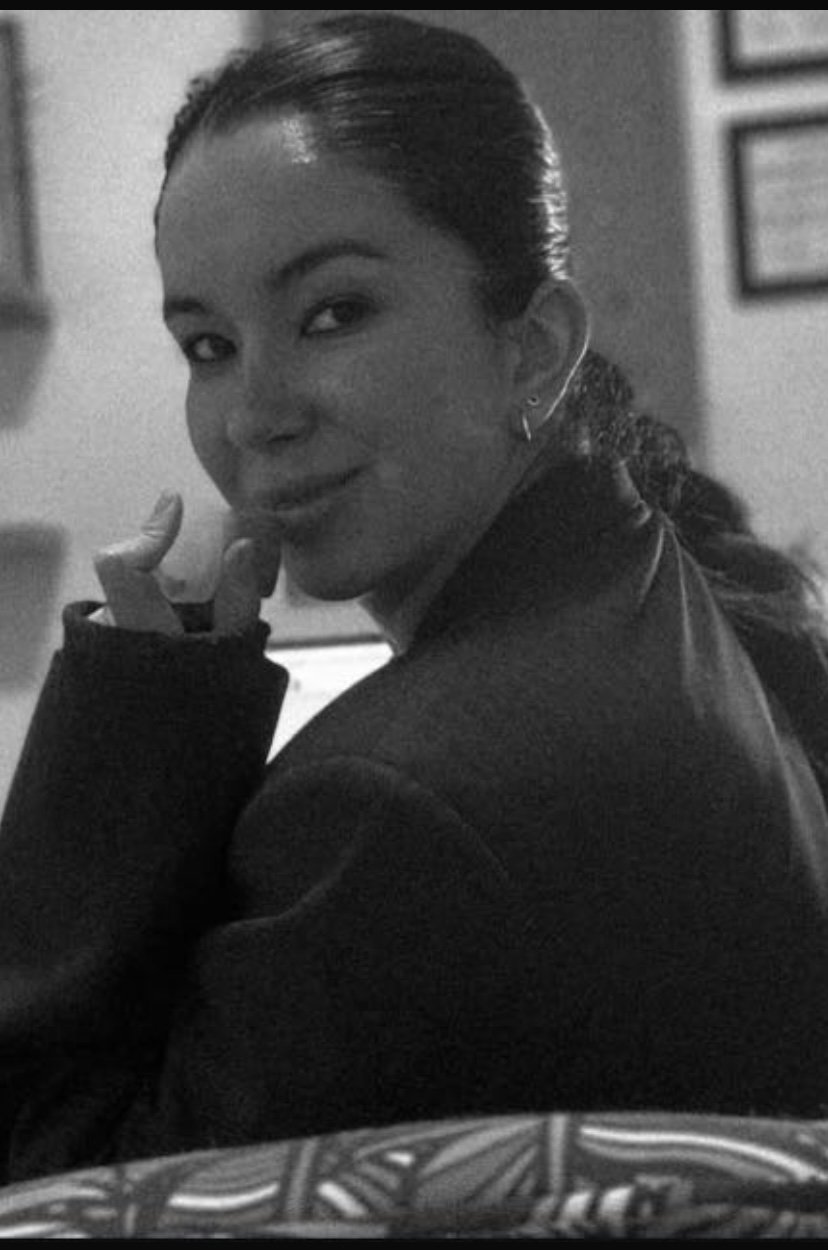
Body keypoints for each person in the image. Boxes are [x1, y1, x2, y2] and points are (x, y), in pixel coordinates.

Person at [2, 12, 828, 1185]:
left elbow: (54, 1192)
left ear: (533, 346)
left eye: (333, 312)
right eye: (207, 343)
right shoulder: (654, 593)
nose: (254, 413)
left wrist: (135, 733)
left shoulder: (395, 811)